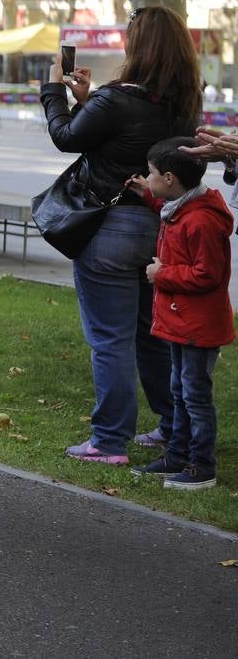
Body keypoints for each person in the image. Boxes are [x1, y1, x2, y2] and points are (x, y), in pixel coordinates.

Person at [42, 5, 202, 464]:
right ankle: (174, 429)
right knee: (152, 334)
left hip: (110, 227)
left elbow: (67, 136)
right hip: (160, 228)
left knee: (109, 337)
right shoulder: (184, 102)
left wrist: (54, 89)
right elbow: (119, 134)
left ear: (138, 46)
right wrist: (90, 98)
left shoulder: (118, 100)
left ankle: (109, 441)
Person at [125, 137, 233, 490]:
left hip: (198, 325)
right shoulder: (181, 207)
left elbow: (208, 275)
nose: (149, 177)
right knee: (180, 390)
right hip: (180, 321)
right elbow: (170, 212)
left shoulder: (200, 221)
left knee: (195, 395)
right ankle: (177, 454)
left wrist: (162, 274)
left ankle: (202, 465)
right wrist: (147, 193)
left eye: (152, 174)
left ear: (170, 178)